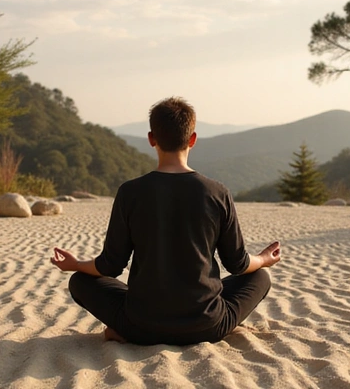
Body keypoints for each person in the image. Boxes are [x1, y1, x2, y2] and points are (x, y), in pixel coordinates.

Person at [50, 97, 281, 345]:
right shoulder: (217, 193)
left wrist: (76, 265)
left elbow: (110, 266)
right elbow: (238, 264)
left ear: (152, 139)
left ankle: (123, 330)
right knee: (261, 277)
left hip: (142, 324)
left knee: (79, 281)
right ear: (192, 139)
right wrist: (264, 260)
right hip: (206, 325)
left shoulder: (130, 192)